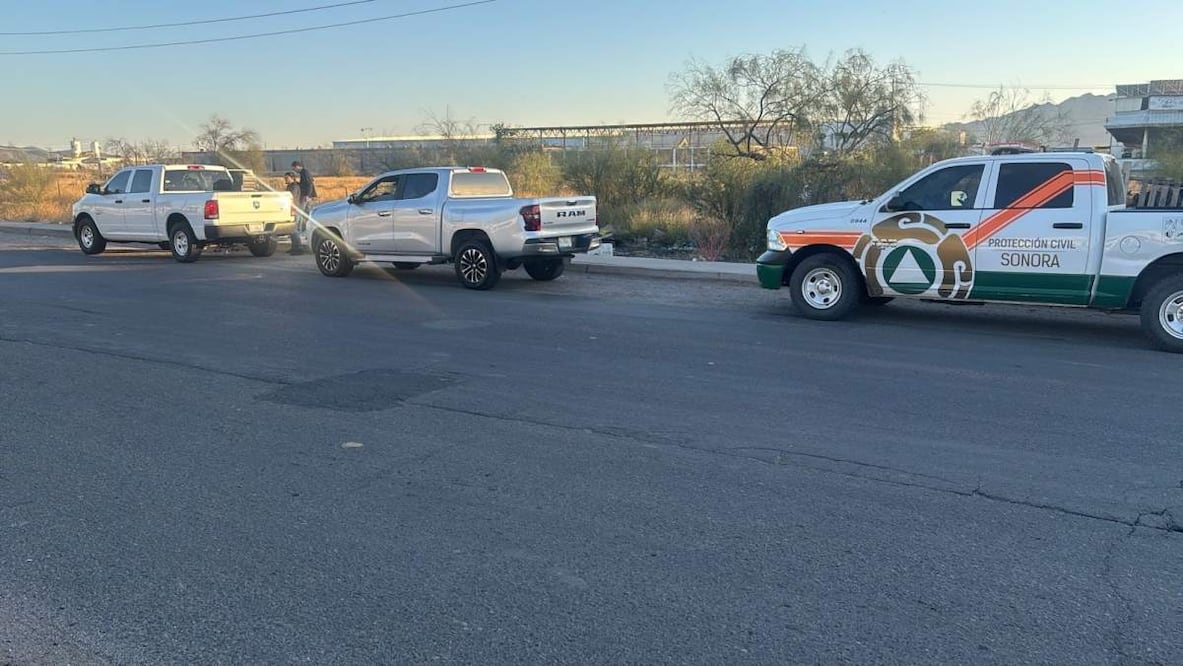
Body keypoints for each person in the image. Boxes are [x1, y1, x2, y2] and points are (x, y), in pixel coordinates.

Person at [290, 161, 317, 255]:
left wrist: (307, 195)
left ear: (297, 166)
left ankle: (301, 230)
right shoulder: (304, 172)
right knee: (307, 214)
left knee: (301, 213)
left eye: (294, 168)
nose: (294, 170)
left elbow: (309, 184)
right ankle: (304, 230)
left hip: (305, 196)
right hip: (307, 196)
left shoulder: (304, 172)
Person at [283, 171, 306, 255]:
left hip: (295, 209)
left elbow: (291, 197)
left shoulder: (295, 187)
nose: (285, 179)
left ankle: (298, 248)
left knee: (295, 229)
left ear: (292, 178)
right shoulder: (289, 186)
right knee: (291, 229)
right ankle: (294, 247)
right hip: (290, 209)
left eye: (286, 178)